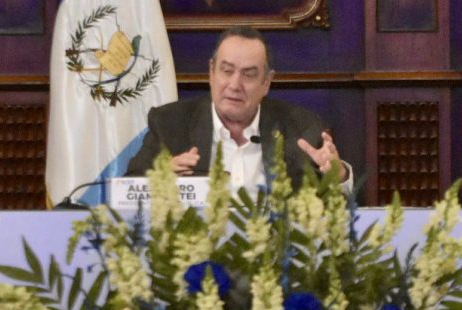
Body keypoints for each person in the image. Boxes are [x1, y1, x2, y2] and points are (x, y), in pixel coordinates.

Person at [127, 26, 352, 193]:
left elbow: (332, 209)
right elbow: (128, 187)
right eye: (227, 71)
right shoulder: (169, 123)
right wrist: (158, 177)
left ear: (266, 82)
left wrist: (339, 175)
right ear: (211, 72)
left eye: (249, 75)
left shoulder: (301, 127)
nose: (235, 85)